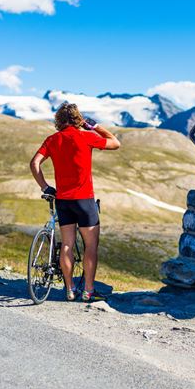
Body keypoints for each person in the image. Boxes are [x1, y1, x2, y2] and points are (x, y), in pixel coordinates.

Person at [30, 103, 120, 302]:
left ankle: (69, 290)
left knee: (67, 245)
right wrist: (93, 126)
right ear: (78, 119)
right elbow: (115, 142)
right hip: (84, 200)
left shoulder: (52, 140)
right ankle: (88, 291)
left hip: (63, 200)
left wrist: (45, 187)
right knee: (91, 246)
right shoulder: (86, 136)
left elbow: (34, 163)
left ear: (58, 120)